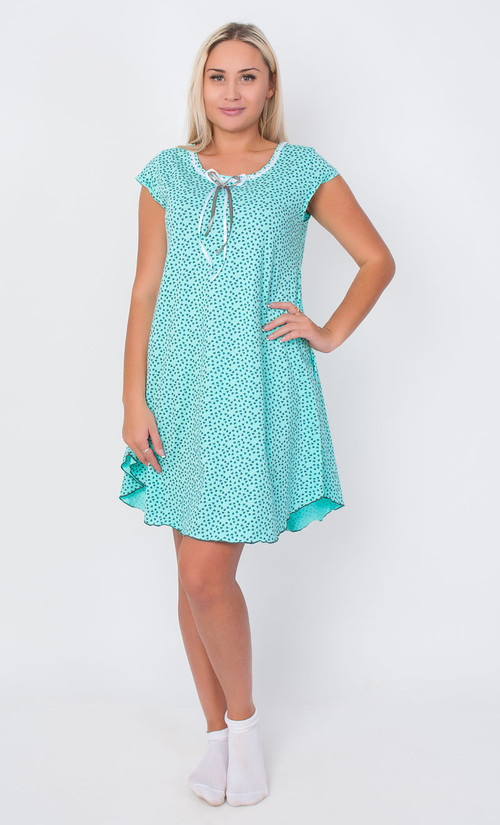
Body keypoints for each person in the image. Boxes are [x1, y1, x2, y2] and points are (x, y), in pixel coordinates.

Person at [119, 20, 395, 807]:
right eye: (218, 76)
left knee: (206, 576)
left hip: (256, 385)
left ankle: (244, 728)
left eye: (248, 76)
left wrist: (327, 330)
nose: (232, 91)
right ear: (200, 86)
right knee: (190, 574)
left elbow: (377, 259)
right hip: (177, 388)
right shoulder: (165, 174)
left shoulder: (299, 170)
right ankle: (215, 738)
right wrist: (133, 396)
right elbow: (144, 289)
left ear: (269, 86)